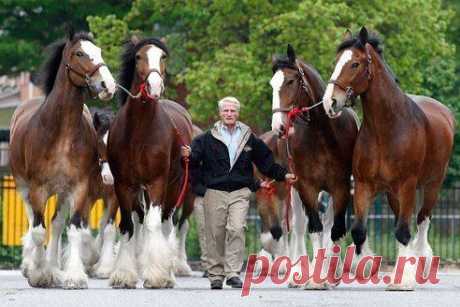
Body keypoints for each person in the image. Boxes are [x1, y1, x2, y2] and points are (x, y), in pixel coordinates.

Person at [182, 96, 296, 289]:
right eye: (226, 111)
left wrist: (283, 175)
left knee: (236, 229)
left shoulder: (248, 137)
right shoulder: (206, 139)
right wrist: (188, 159)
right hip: (214, 191)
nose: (229, 114)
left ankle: (233, 273)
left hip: (240, 191)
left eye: (233, 111)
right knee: (215, 233)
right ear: (220, 113)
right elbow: (192, 164)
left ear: (238, 113)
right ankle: (216, 275)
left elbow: (266, 162)